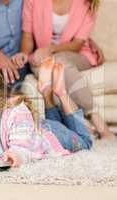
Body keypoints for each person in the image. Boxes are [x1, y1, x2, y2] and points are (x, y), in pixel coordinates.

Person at [11, 0, 115, 139]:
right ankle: (79, 125)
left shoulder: (88, 3)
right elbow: (27, 35)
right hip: (41, 56)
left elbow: (77, 44)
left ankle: (96, 119)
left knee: (58, 62)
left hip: (77, 54)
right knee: (51, 71)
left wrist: (51, 49)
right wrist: (24, 54)